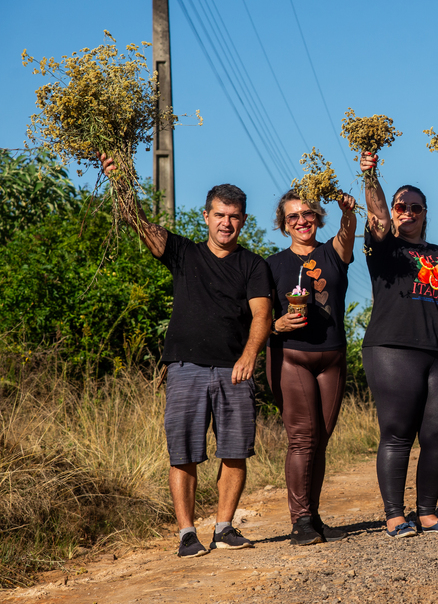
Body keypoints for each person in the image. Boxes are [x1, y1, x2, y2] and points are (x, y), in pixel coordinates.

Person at [100, 155, 272, 559]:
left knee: (235, 450)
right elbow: (138, 221)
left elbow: (263, 315)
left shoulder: (253, 265)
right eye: (219, 215)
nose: (225, 223)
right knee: (183, 452)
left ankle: (225, 528)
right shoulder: (182, 253)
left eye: (233, 216)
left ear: (243, 220)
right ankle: (187, 534)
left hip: (234, 370)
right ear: (206, 216)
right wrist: (119, 179)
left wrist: (249, 357)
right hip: (185, 368)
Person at [359, 152, 438, 538]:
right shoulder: (383, 248)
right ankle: (394, 514)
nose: (408, 212)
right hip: (392, 348)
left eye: (416, 207)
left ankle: (429, 512)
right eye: (402, 206)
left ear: (424, 213)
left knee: (437, 433)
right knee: (398, 431)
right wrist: (371, 176)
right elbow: (379, 217)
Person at [266, 189, 357, 546]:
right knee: (302, 439)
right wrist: (277, 324)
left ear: (318, 218)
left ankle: (313, 516)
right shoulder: (271, 265)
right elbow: (256, 317)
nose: (301, 221)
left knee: (321, 440)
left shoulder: (333, 252)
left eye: (307, 214)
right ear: (283, 225)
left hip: (332, 356)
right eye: (293, 217)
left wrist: (348, 212)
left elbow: (348, 232)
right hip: (292, 356)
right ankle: (299, 520)